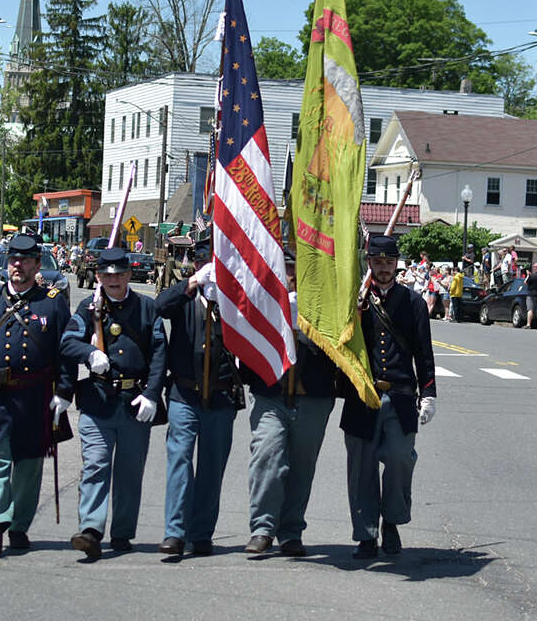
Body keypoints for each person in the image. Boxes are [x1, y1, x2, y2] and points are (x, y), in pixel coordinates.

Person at [0, 234, 75, 557]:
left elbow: (66, 352)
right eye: (12, 260)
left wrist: (65, 391)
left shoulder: (52, 303)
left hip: (35, 397)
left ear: (37, 264)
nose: (17, 266)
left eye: (24, 261)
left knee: (28, 465)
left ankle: (20, 525)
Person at [61, 247, 167, 561]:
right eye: (107, 275)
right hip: (98, 401)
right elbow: (67, 342)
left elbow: (160, 352)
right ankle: (91, 530)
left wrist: (152, 394)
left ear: (129, 275)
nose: (114, 280)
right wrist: (89, 354)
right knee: (96, 464)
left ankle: (122, 532)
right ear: (98, 277)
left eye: (119, 274)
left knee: (129, 471)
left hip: (134, 402)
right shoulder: (90, 307)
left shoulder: (146, 308)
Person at [343, 235, 436, 559]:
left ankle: (392, 522)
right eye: (378, 262)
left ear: (397, 264)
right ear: (369, 262)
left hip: (399, 394)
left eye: (389, 262)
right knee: (362, 469)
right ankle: (365, 535)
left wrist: (428, 393)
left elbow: (424, 352)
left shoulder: (413, 303)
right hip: (362, 394)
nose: (383, 269)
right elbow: (340, 342)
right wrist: (350, 313)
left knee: (399, 458)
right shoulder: (355, 300)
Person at [240, 247, 337, 557]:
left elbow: (339, 344)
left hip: (312, 395)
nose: (291, 275)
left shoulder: (325, 303)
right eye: (286, 269)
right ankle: (263, 528)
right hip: (271, 393)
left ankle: (291, 531)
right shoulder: (262, 298)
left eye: (296, 269)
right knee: (267, 456)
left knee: (301, 466)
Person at [155, 238, 240, 558]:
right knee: (179, 461)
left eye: (215, 265)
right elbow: (159, 306)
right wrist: (191, 284)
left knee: (211, 467)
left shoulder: (233, 300)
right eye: (203, 264)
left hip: (220, 395)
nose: (210, 270)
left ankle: (201, 532)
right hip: (184, 392)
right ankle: (174, 532)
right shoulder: (184, 296)